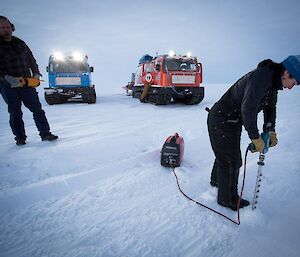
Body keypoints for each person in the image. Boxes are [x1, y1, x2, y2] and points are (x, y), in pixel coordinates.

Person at [207, 55, 300, 211]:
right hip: (221, 118)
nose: (291, 87)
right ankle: (227, 199)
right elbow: (248, 109)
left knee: (226, 155)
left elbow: (270, 109)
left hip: (232, 121)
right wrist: (255, 138)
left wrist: (270, 130)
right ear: (286, 73)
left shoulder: (272, 83)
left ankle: (217, 181)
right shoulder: (262, 76)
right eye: (294, 82)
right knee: (232, 160)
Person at [0, 16, 58, 145]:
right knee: (15, 112)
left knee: (37, 110)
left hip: (26, 83)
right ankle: (20, 138)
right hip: (8, 86)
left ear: (12, 28)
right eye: (3, 28)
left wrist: (36, 73)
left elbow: (31, 60)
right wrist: (7, 78)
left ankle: (46, 134)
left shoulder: (20, 43)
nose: (6, 30)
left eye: (8, 27)